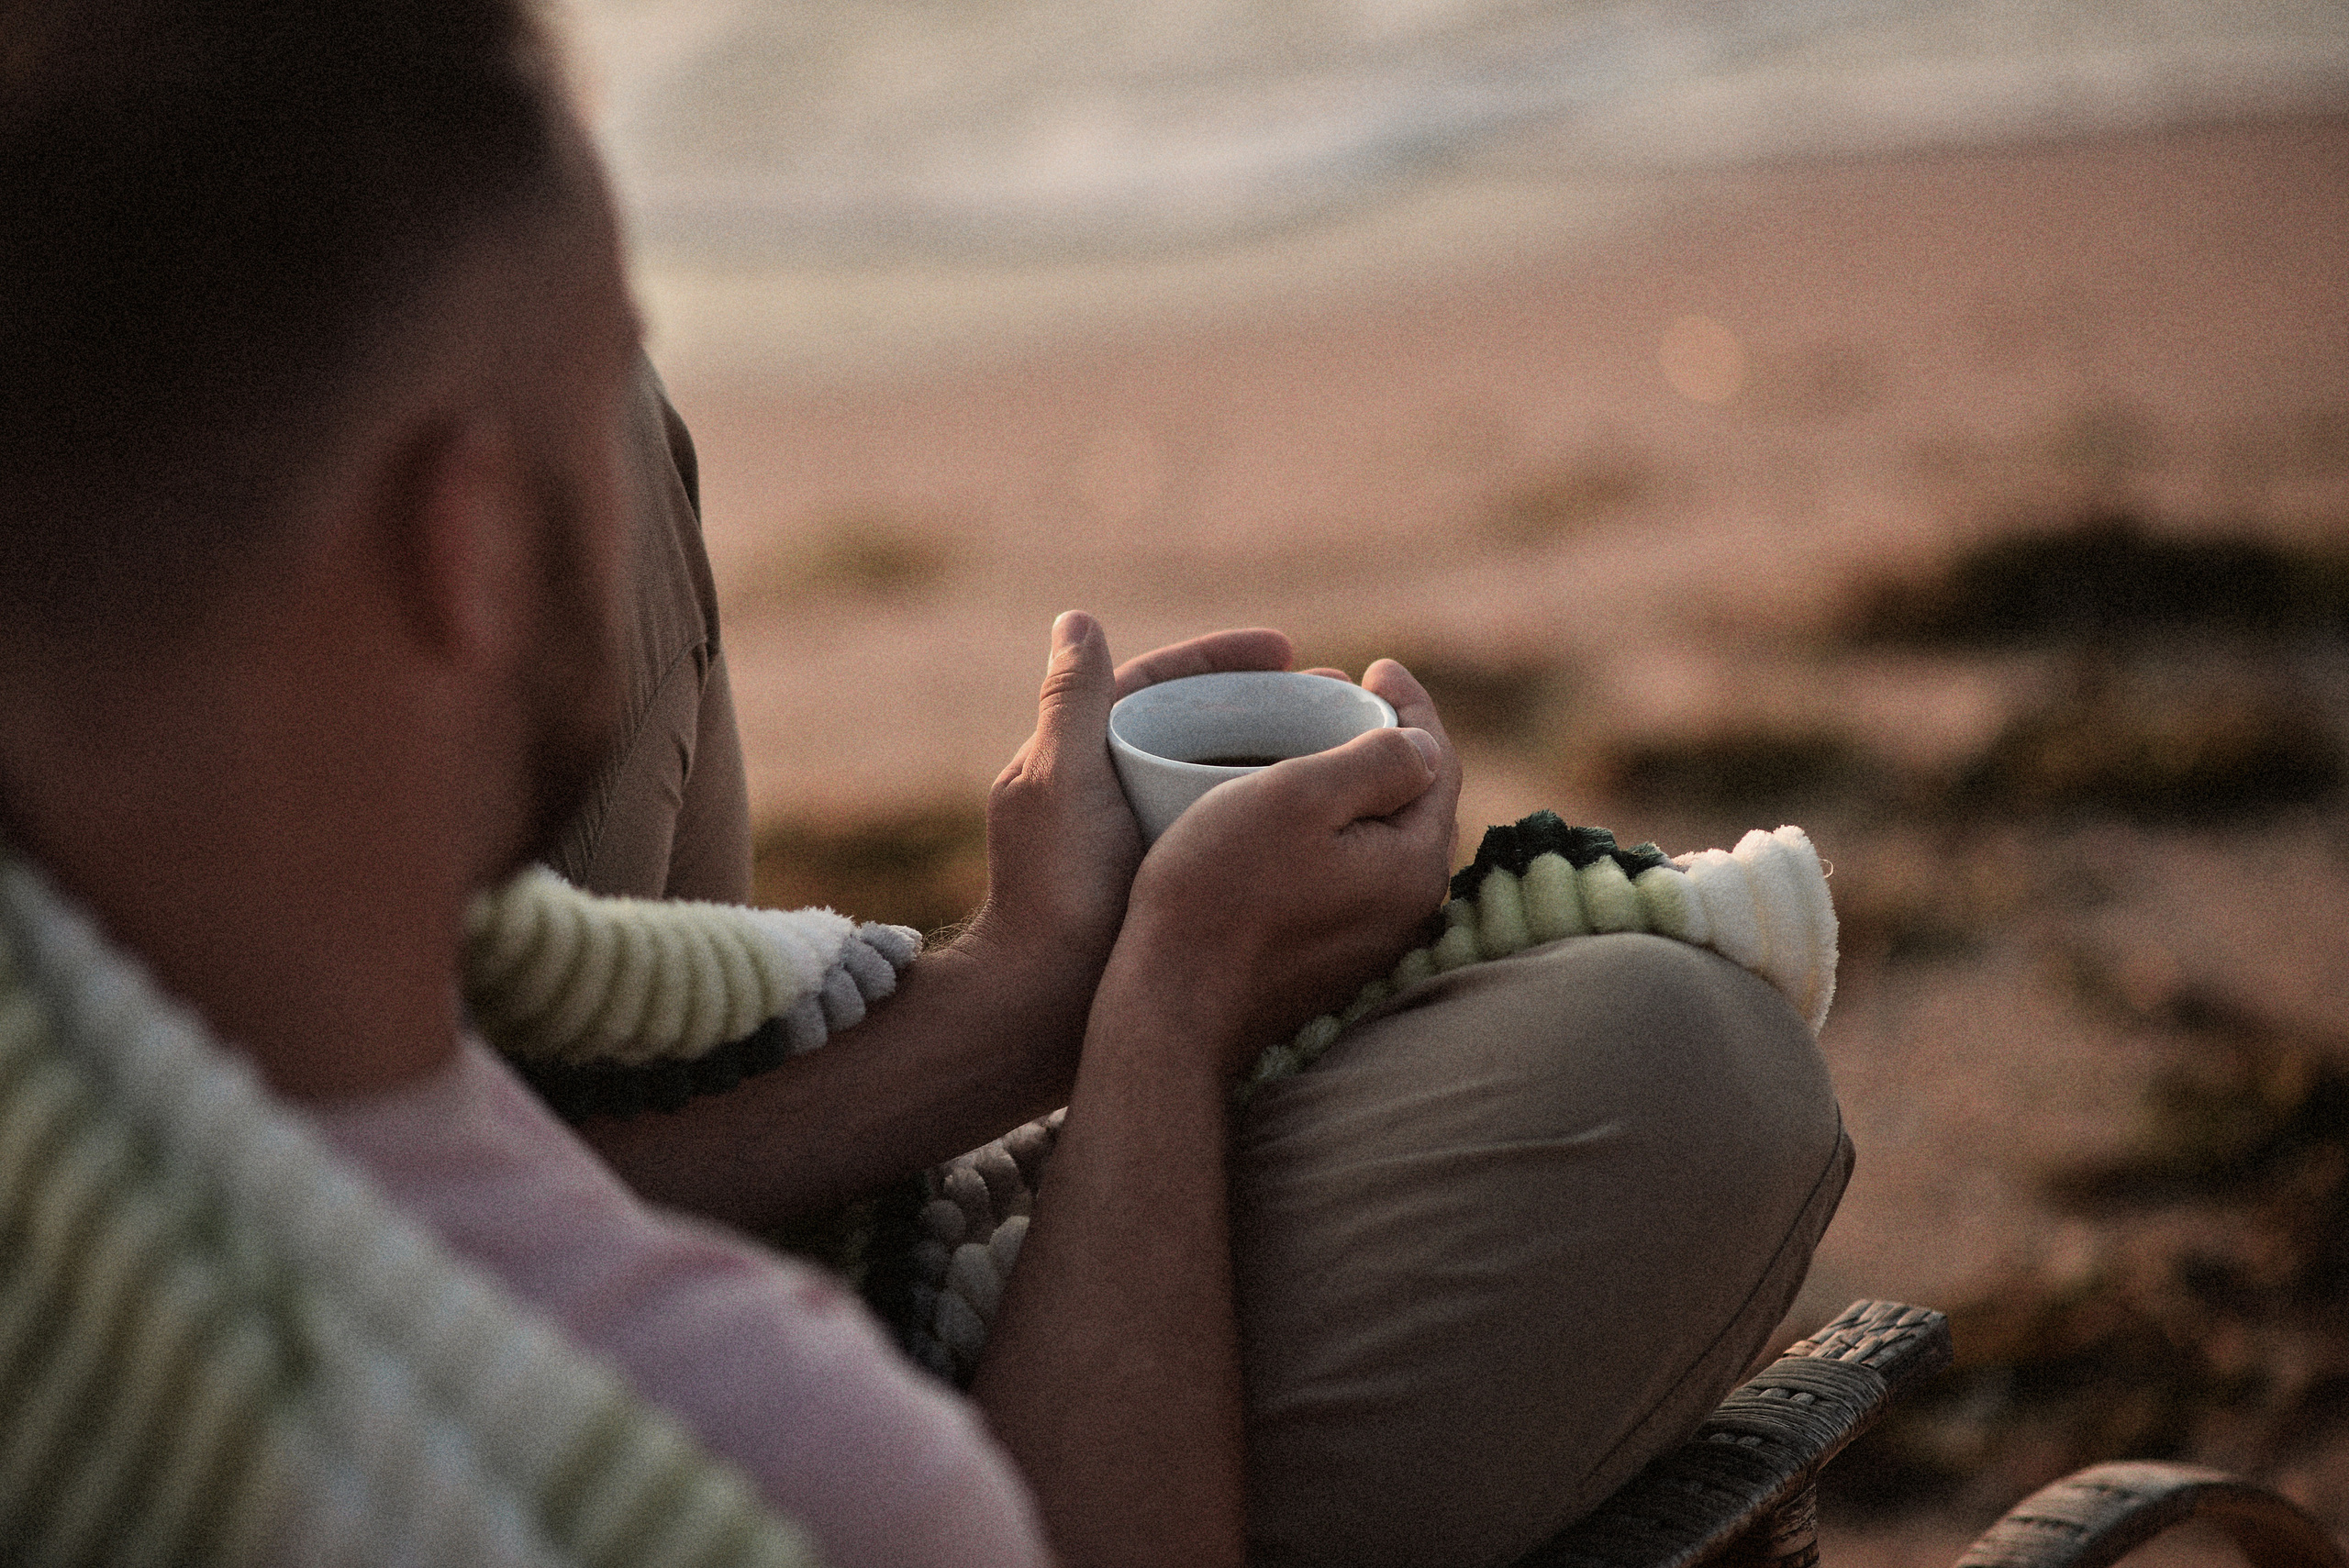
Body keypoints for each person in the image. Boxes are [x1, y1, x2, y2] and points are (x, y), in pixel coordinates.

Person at [0, 4, 1848, 1565]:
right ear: (463, 548)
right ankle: (1019, 1291)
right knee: (1689, 1085)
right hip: (948, 1429)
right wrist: (1160, 1014)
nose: (624, 387)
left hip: (511, 1116)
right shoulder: (805, 1463)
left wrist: (1007, 1002)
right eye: (580, 364)